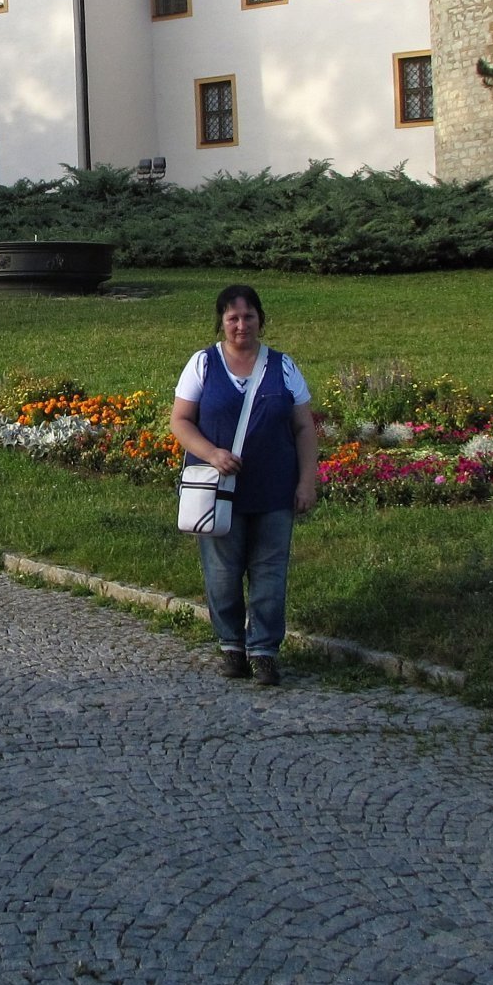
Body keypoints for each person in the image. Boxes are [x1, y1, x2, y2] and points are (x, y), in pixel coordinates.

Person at [169, 283, 318, 686]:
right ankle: (232, 645)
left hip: (273, 491)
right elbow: (180, 421)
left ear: (260, 321)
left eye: (248, 317)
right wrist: (212, 453)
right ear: (221, 322)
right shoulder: (203, 364)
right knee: (222, 572)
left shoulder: (283, 367)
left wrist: (307, 481)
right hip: (219, 493)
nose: (240, 325)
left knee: (270, 572)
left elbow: (304, 427)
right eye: (233, 317)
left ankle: (265, 651)